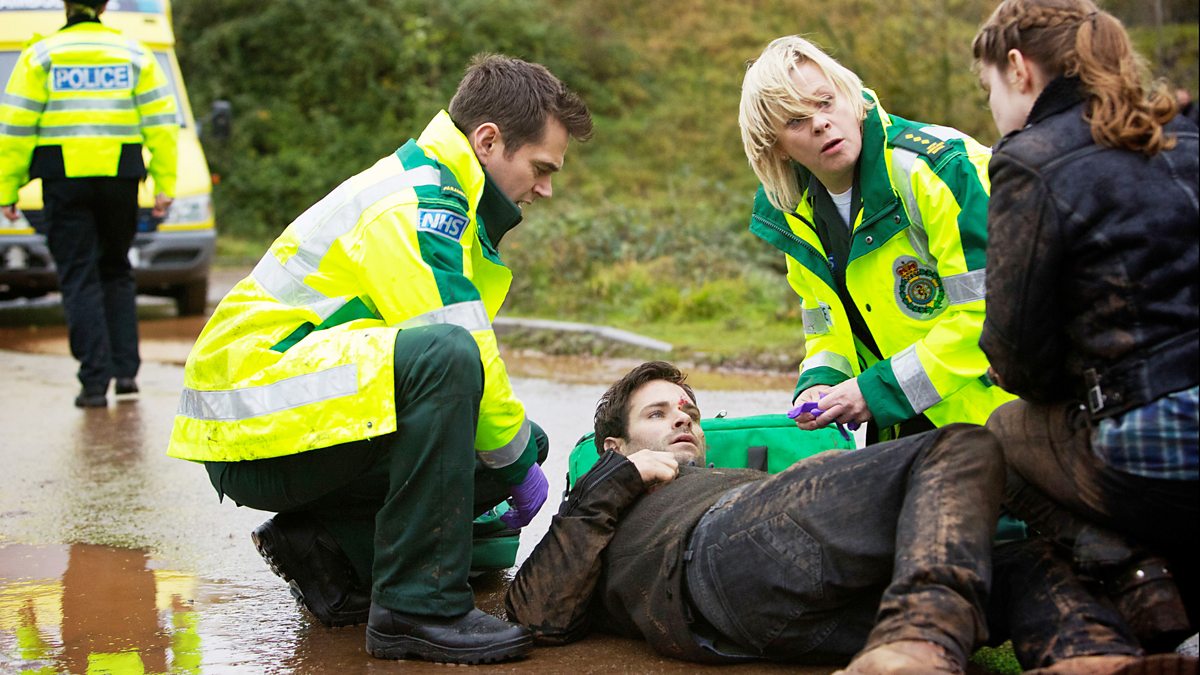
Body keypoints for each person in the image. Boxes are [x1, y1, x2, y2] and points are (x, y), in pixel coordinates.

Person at [166, 54, 592, 665]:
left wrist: (518, 455)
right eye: (541, 168)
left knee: (512, 438)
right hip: (253, 423)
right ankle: (418, 609)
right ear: (488, 141)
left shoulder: (434, 190)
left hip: (280, 416)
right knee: (453, 367)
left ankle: (325, 549)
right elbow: (454, 341)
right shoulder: (416, 203)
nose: (545, 188)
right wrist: (515, 465)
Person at [506, 361, 1004, 674]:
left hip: (772, 622)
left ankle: (1057, 649)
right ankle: (921, 636)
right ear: (613, 447)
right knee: (961, 445)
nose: (682, 419)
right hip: (711, 551)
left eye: (689, 415)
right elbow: (536, 616)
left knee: (1004, 570)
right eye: (656, 414)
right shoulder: (598, 510)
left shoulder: (718, 475)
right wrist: (616, 479)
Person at [973, 0, 1199, 671]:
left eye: (987, 88)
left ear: (1018, 69)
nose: (992, 107)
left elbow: (1017, 354)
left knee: (1002, 435)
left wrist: (1068, 384)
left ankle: (1136, 571)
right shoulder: (1185, 133)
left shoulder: (1029, 160)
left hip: (1160, 441)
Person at [739, 36, 1013, 443]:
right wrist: (821, 381)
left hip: (1000, 420)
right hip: (904, 425)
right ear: (776, 147)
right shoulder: (794, 211)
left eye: (825, 101)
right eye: (795, 120)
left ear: (850, 96)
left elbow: (990, 314)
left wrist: (877, 391)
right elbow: (824, 326)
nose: (820, 122)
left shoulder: (941, 169)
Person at [0, 0, 178, 407]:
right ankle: (126, 373)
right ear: (104, 5)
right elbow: (162, 124)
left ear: (65, 4)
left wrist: (7, 189)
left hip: (63, 179)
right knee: (116, 269)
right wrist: (165, 184)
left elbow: (16, 128)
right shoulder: (133, 53)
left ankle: (94, 384)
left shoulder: (41, 56)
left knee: (79, 275)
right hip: (121, 178)